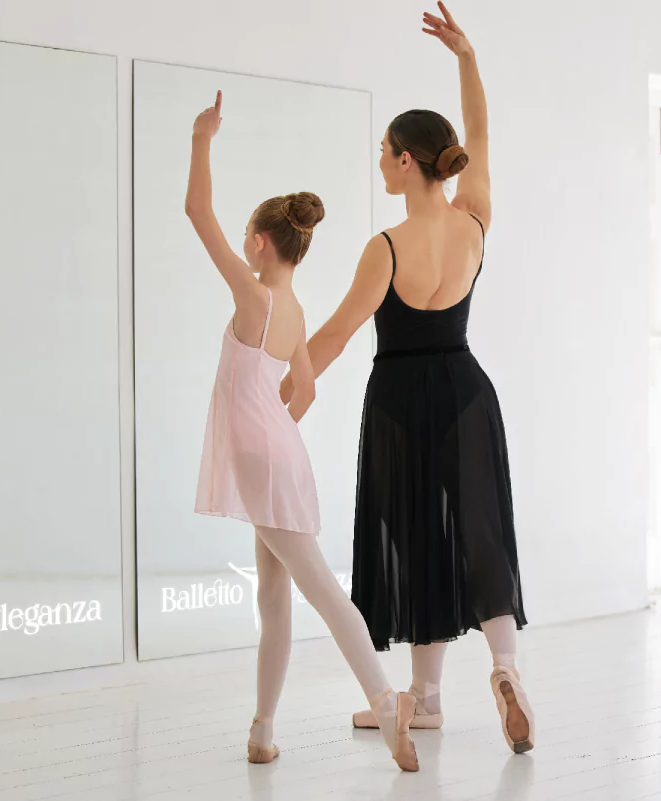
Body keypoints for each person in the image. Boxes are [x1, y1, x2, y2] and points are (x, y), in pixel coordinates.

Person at [281, 3, 533, 754]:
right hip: (467, 391)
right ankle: (499, 671)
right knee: (480, 531)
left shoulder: (385, 247)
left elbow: (333, 336)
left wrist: (278, 397)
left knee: (419, 538)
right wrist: (467, 57)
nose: (380, 161)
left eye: (385, 151)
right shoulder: (473, 220)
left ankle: (425, 696)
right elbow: (481, 133)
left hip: (399, 400)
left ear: (406, 162)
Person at [187, 91, 420, 771]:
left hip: (266, 456)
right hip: (278, 450)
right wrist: (270, 430)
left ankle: (386, 702)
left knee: (317, 587)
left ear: (260, 241)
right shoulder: (291, 311)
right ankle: (262, 730)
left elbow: (196, 211)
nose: (242, 242)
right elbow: (307, 390)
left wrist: (202, 138)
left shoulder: (253, 295)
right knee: (274, 595)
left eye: (246, 234)